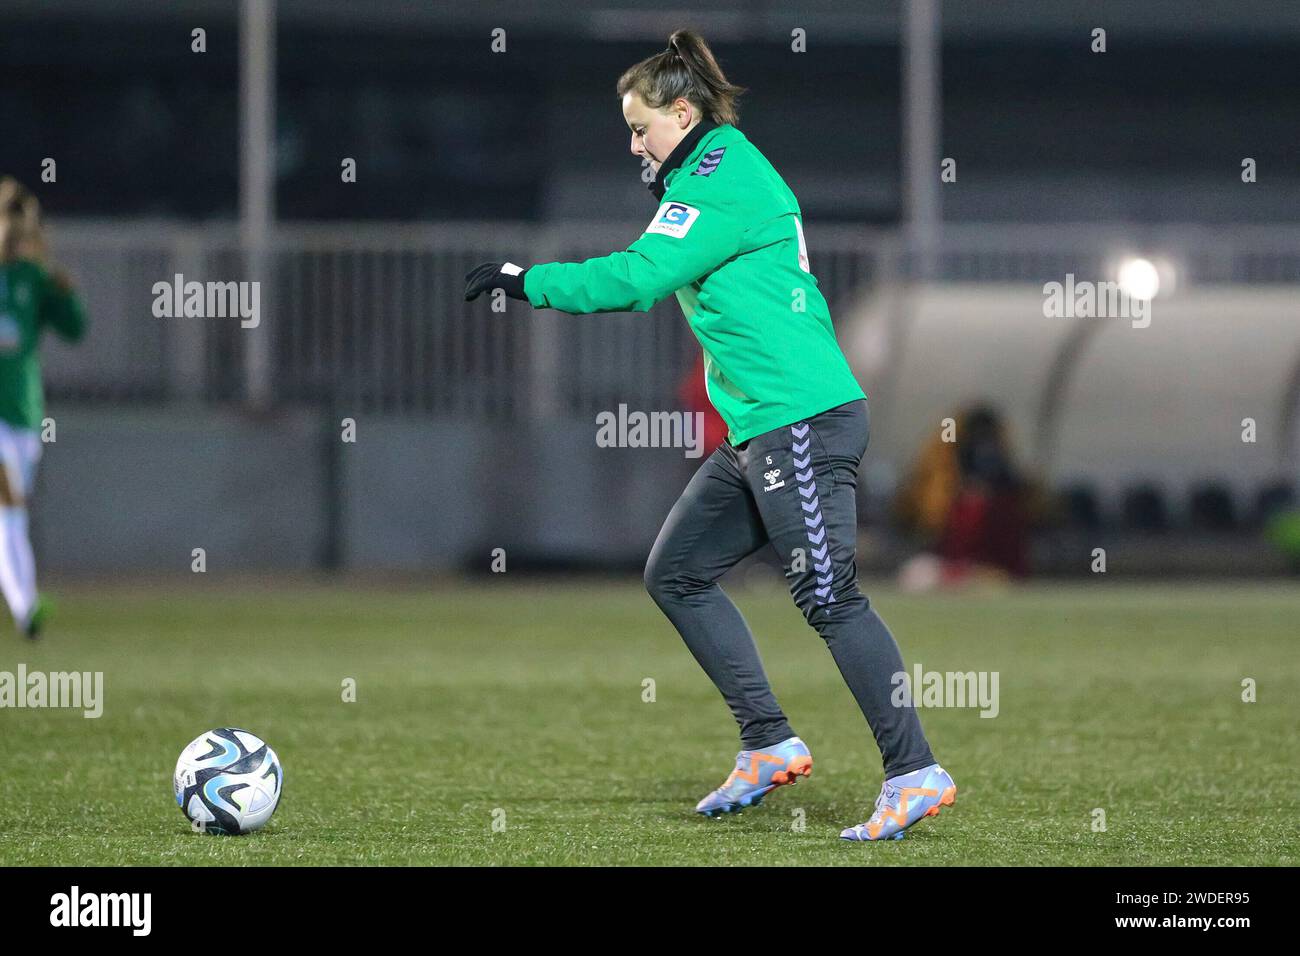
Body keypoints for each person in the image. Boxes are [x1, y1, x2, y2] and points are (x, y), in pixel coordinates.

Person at [464, 30, 954, 841]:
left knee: (830, 598)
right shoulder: (714, 168)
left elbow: (635, 279)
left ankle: (914, 770)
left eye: (639, 126)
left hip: (799, 417)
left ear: (682, 112)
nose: (633, 144)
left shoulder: (716, 174)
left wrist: (527, 282)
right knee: (678, 573)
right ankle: (768, 741)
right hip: (764, 425)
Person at [0, 176, 87, 638]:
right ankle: (25, 606)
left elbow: (75, 329)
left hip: (23, 414)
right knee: (7, 506)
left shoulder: (33, 277)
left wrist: (67, 292)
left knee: (11, 513)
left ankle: (24, 606)